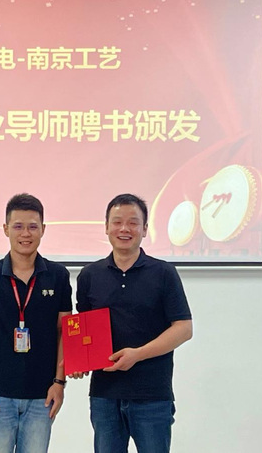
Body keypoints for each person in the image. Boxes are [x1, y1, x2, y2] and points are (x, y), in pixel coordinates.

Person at [73, 193, 192, 453]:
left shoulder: (164, 273)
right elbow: (83, 329)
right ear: (106, 227)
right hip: (105, 396)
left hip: (152, 395)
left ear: (145, 229)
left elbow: (184, 329)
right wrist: (79, 361)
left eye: (133, 222)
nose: (124, 229)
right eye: (117, 222)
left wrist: (138, 354)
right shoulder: (89, 275)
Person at [0, 193, 73, 453]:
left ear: (43, 229)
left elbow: (64, 333)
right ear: (6, 229)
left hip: (42, 397)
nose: (26, 234)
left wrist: (59, 384)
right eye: (18, 226)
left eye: (33, 226)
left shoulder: (58, 276)